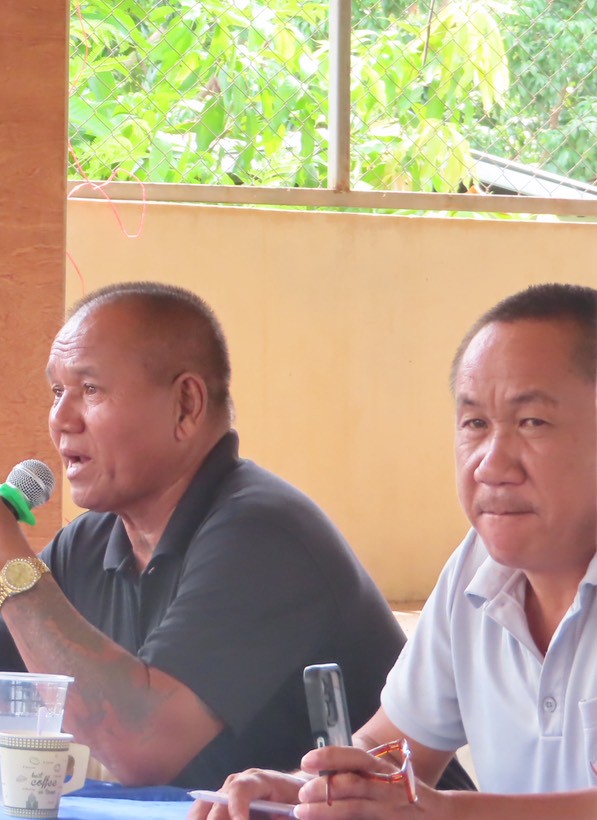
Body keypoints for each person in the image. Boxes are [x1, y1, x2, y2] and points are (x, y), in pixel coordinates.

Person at [0, 281, 410, 789]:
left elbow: (141, 748)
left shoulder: (262, 534)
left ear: (186, 405)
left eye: (90, 389)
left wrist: (9, 569)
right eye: (56, 391)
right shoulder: (92, 542)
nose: (60, 419)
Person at [193, 282, 597, 819]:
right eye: (475, 424)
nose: (490, 464)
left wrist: (448, 814)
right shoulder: (478, 569)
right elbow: (392, 748)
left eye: (532, 423)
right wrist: (304, 789)